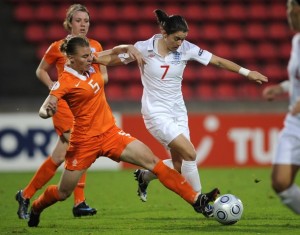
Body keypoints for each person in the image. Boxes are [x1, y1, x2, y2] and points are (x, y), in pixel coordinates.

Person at [26, 36, 220, 227]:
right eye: (84, 57)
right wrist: (47, 111)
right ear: (71, 59)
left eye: (90, 55)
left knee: (153, 162)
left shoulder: (90, 62)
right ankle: (36, 206)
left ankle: (197, 201)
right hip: (84, 142)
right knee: (63, 192)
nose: (90, 59)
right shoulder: (65, 80)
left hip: (111, 133)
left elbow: (116, 51)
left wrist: (131, 47)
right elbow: (47, 105)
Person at [131, 9, 268, 217]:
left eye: (183, 39)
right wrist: (93, 59)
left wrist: (247, 73)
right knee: (190, 153)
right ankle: (201, 202)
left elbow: (218, 61)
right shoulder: (143, 48)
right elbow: (115, 57)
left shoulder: (186, 48)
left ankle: (145, 176)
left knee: (178, 165)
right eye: (177, 39)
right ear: (165, 34)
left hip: (178, 112)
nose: (180, 43)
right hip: (155, 112)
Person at [15, 4, 107, 219]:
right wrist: (54, 90)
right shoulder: (58, 47)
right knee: (81, 145)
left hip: (85, 105)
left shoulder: (95, 46)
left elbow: (105, 77)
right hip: (64, 106)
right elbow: (41, 71)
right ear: (69, 23)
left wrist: (92, 86)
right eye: (78, 20)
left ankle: (25, 194)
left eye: (86, 21)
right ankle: (79, 202)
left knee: (59, 156)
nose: (83, 24)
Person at [261, 0, 300, 214]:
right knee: (281, 183)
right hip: (295, 123)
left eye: (289, 8)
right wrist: (281, 88)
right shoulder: (297, 42)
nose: (287, 13)